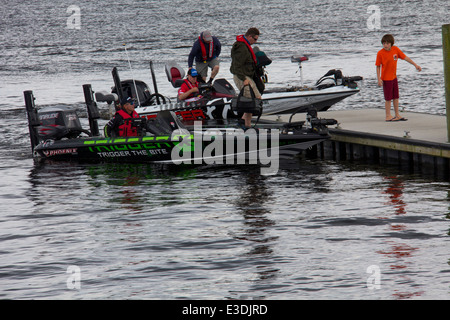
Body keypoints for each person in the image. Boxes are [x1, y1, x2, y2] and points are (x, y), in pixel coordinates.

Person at [376, 34, 421, 122]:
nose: (385, 45)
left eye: (387, 43)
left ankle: (397, 114)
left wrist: (415, 65)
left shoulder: (395, 49)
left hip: (394, 77)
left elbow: (405, 58)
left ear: (391, 43)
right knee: (388, 98)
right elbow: (378, 66)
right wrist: (379, 79)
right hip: (386, 79)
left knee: (396, 97)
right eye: (384, 43)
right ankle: (388, 115)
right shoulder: (380, 53)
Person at [230, 27, 262, 129]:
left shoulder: (246, 46)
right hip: (241, 77)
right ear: (249, 36)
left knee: (257, 98)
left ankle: (244, 121)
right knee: (250, 100)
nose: (255, 41)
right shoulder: (241, 47)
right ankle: (246, 125)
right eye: (255, 39)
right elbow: (236, 66)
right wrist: (244, 79)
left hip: (247, 76)